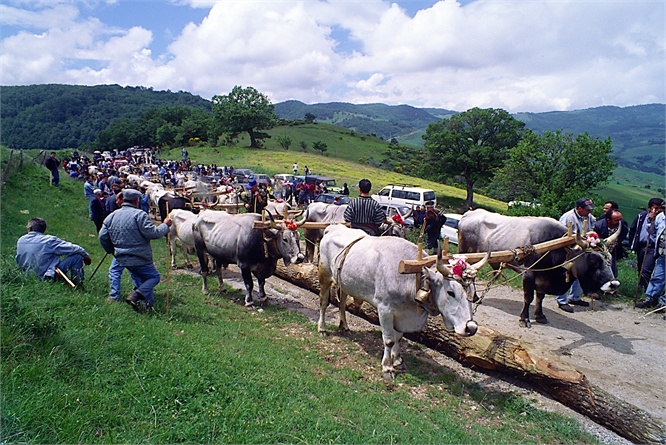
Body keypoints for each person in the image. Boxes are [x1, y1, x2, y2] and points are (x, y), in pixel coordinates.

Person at [99, 189, 172, 313]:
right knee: (154, 277)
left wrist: (112, 250)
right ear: (136, 200)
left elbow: (102, 236)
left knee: (139, 278)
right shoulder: (139, 215)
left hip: (122, 257)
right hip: (141, 258)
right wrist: (165, 225)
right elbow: (153, 233)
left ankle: (146, 307)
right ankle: (137, 296)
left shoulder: (111, 216)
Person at [16, 217, 92, 285]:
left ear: (29, 228)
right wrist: (86, 256)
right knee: (77, 257)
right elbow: (74, 248)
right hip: (47, 277)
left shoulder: (21, 240)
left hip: (26, 276)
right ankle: (78, 284)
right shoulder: (49, 240)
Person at [556, 197, 597, 313]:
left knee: (582, 272)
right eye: (587, 209)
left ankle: (575, 297)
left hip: (582, 251)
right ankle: (561, 300)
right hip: (568, 251)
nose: (590, 212)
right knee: (565, 274)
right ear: (579, 208)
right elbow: (561, 234)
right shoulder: (568, 217)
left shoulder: (590, 218)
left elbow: (592, 231)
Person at [628, 198, 665, 291]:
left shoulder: (660, 219)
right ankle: (640, 288)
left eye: (660, 208)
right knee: (640, 268)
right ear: (649, 208)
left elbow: (653, 233)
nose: (658, 210)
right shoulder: (641, 216)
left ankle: (645, 290)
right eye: (656, 208)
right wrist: (632, 243)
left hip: (652, 247)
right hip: (641, 246)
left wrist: (652, 220)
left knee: (646, 270)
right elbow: (633, 229)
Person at [636, 208, 665, 311]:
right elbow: (653, 232)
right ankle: (651, 299)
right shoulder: (660, 217)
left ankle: (664, 303)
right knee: (657, 277)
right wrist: (650, 221)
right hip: (662, 253)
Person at [593, 208, 628, 277]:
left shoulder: (622, 225)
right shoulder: (598, 226)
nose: (619, 222)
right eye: (616, 220)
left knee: (613, 271)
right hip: (599, 252)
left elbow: (625, 232)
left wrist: (618, 241)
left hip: (613, 251)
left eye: (620, 219)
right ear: (608, 220)